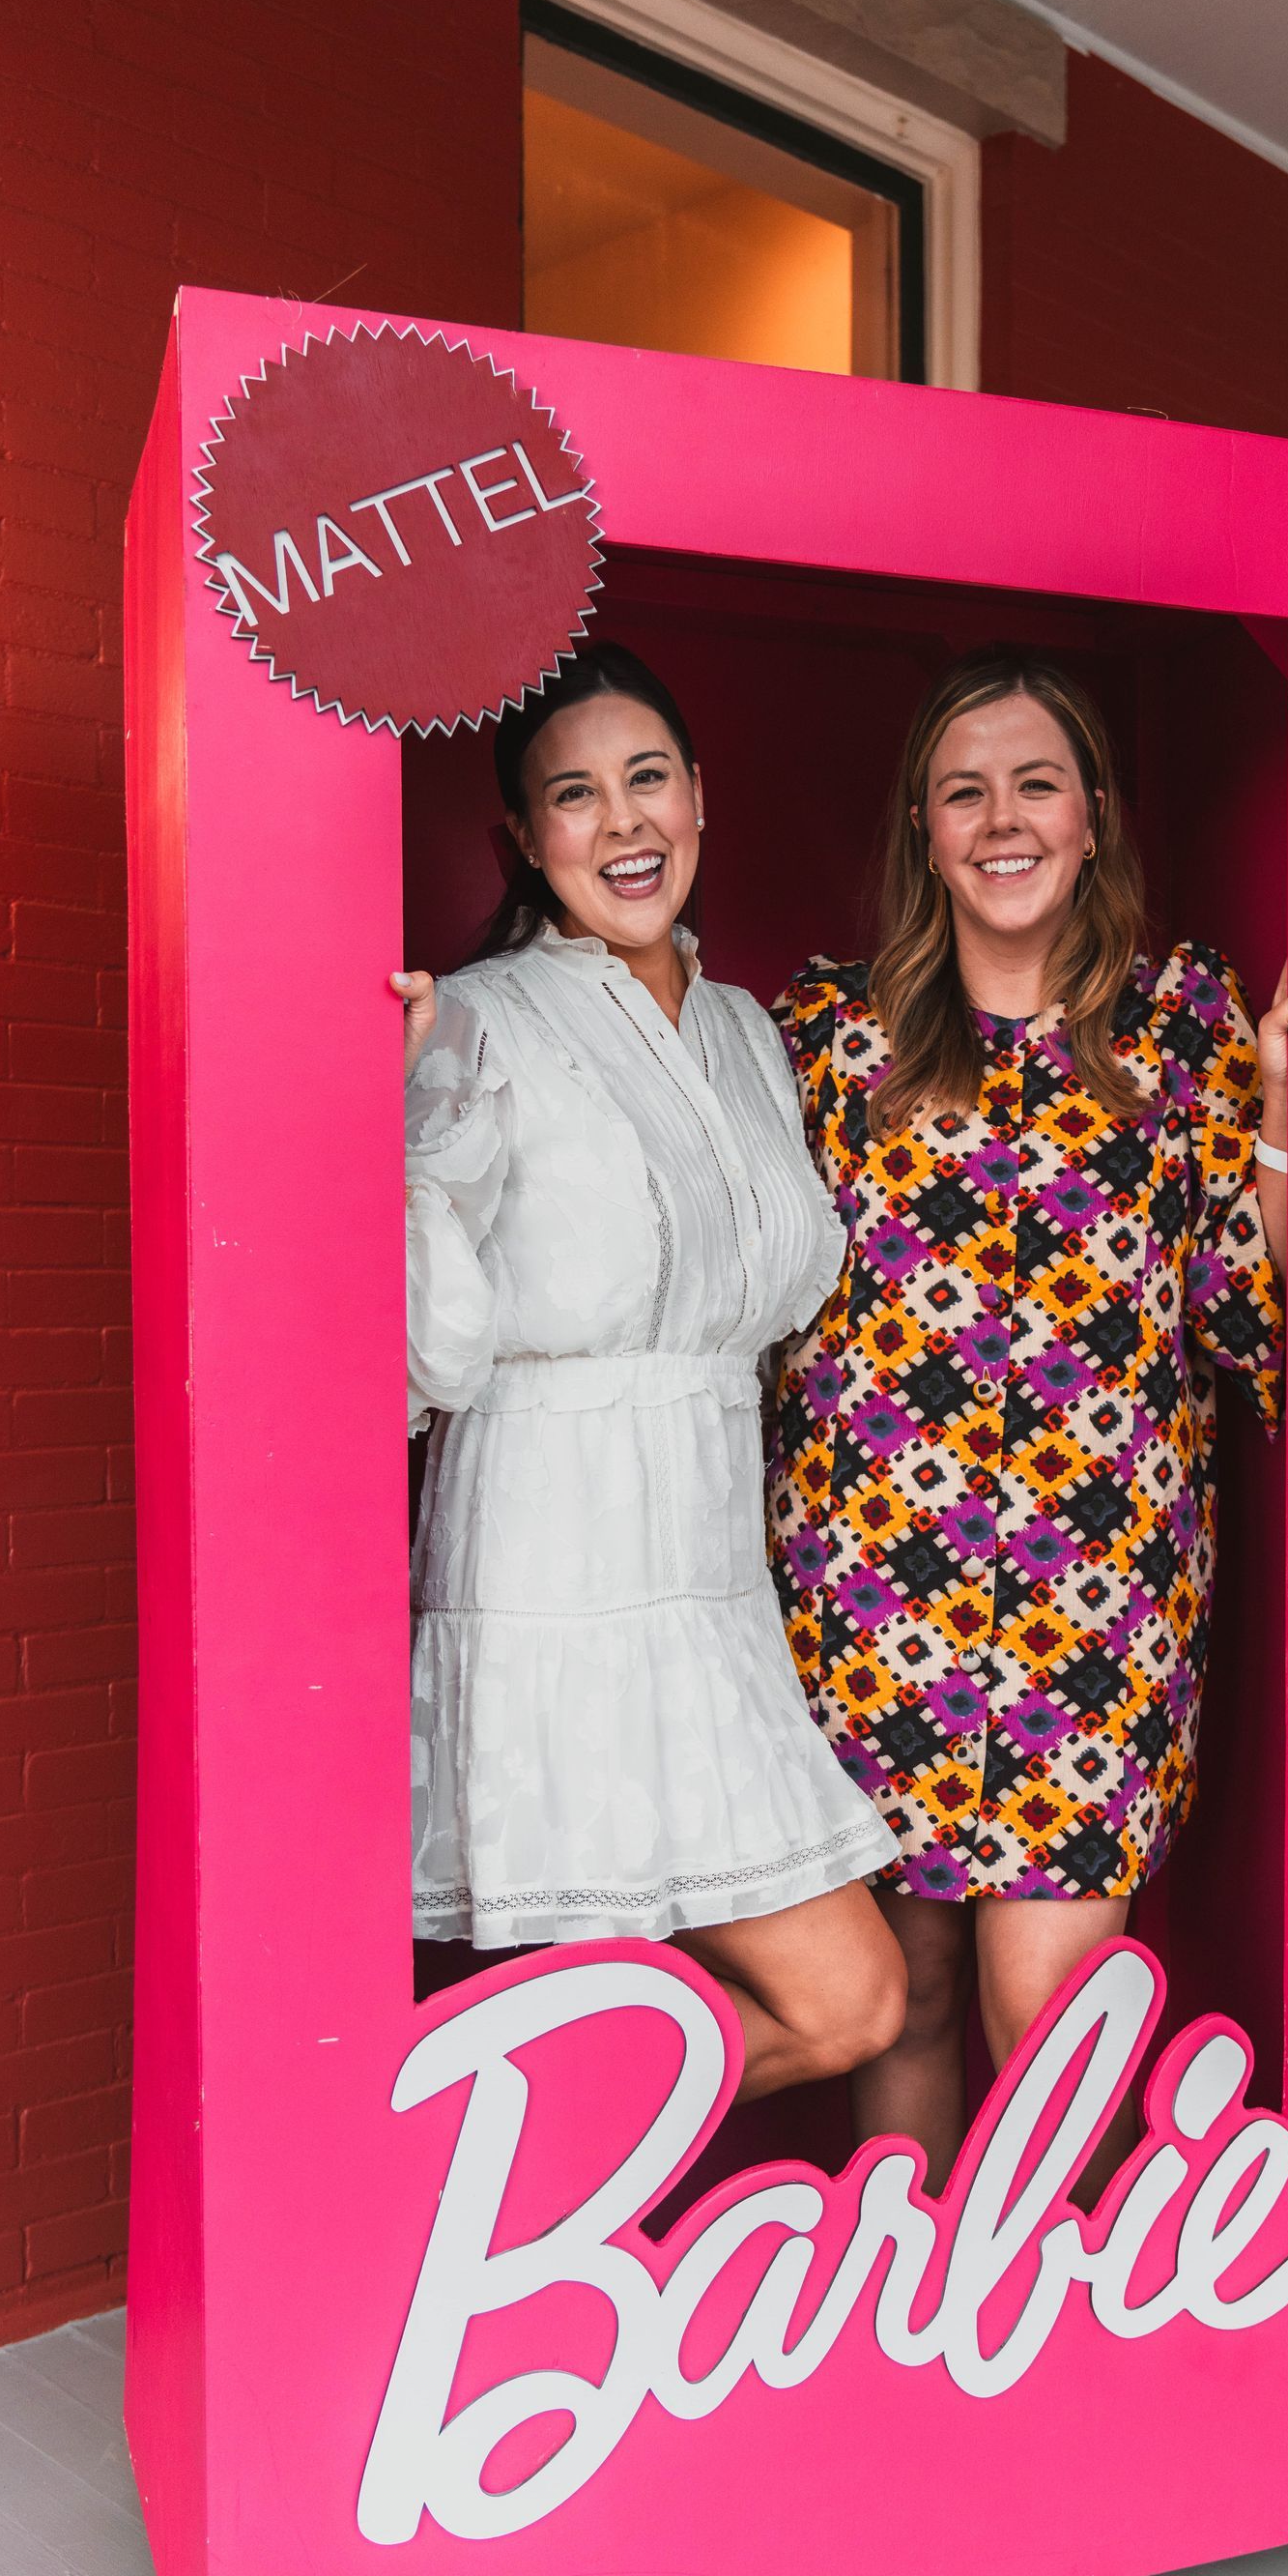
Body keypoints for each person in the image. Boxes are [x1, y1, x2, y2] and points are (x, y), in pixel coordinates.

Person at [768, 646, 1288, 2576]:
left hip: (1095, 1609)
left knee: (1047, 2012)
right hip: (873, 1599)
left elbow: (1248, 1314)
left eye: (1036, 783)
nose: (1003, 820)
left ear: (1095, 817)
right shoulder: (830, 1035)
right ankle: (921, 2404)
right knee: (905, 2000)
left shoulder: (1181, 1028)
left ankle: (1047, 2439)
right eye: (964, 789)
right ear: (925, 831)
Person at [392, 643, 902, 2102]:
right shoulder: (478, 1020)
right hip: (552, 1575)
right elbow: (416, 1349)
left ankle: (475, 2173)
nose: (622, 822)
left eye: (647, 778)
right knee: (606, 2006)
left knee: (852, 2002)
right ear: (524, 836)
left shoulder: (747, 1030)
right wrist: (405, 1117)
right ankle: (487, 2204)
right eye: (575, 795)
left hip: (715, 1585)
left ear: (698, 797)